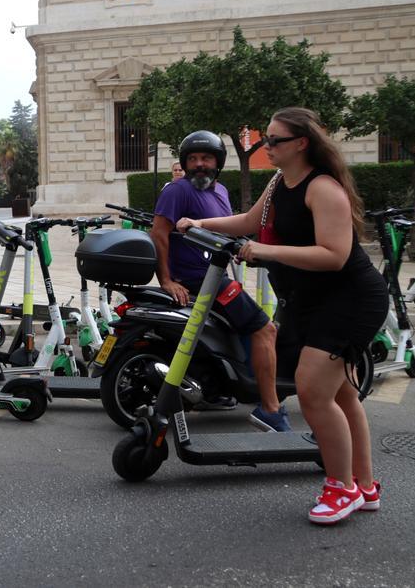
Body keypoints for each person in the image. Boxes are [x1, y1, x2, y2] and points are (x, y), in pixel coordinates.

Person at [177, 108, 387, 525]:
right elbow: (251, 222)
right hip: (310, 299)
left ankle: (340, 487)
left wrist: (265, 251)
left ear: (301, 143)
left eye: (274, 140)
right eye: (265, 139)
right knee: (342, 395)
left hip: (349, 298)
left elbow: (335, 255)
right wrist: (199, 221)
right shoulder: (278, 183)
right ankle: (363, 486)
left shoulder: (323, 188)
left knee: (313, 393)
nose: (266, 146)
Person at [153, 131, 287, 430]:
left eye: (206, 158)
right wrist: (166, 280)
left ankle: (234, 386)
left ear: (218, 162)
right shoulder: (178, 191)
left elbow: (227, 230)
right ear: (185, 164)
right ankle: (270, 409)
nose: (199, 164)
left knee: (244, 332)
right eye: (193, 159)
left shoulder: (220, 192)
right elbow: (159, 233)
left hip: (217, 274)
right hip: (201, 279)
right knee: (264, 329)